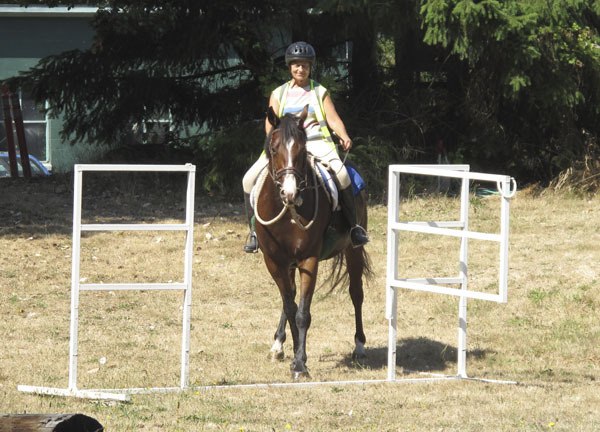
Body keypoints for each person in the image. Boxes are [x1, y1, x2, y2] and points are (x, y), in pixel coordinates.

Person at [242, 41, 369, 253]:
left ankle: (354, 228)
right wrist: (277, 145)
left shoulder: (319, 92)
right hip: (284, 147)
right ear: (290, 67)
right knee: (247, 179)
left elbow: (333, 119)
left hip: (317, 143)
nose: (300, 69)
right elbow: (270, 124)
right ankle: (254, 232)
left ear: (310, 67)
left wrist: (343, 135)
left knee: (343, 175)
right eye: (296, 65)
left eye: (305, 66)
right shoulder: (278, 93)